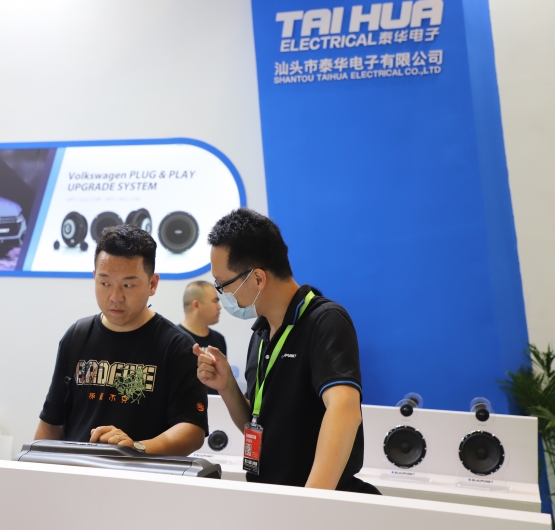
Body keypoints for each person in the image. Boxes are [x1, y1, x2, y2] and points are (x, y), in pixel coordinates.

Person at [194, 208, 377, 493]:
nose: (223, 294)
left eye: (223, 285)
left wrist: (309, 502)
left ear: (257, 279)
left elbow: (345, 408)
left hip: (315, 501)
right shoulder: (261, 332)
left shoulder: (325, 321)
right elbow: (256, 425)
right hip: (271, 495)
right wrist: (227, 386)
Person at [35, 224, 208, 456]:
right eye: (105, 283)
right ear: (94, 277)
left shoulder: (177, 346)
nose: (115, 297)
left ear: (152, 284)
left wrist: (136, 448)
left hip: (142, 475)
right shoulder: (77, 336)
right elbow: (51, 423)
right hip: (77, 473)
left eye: (128, 285)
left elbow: (192, 430)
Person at [178, 281, 227, 395]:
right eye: (215, 301)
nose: (219, 307)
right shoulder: (175, 340)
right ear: (196, 305)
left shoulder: (219, 339)